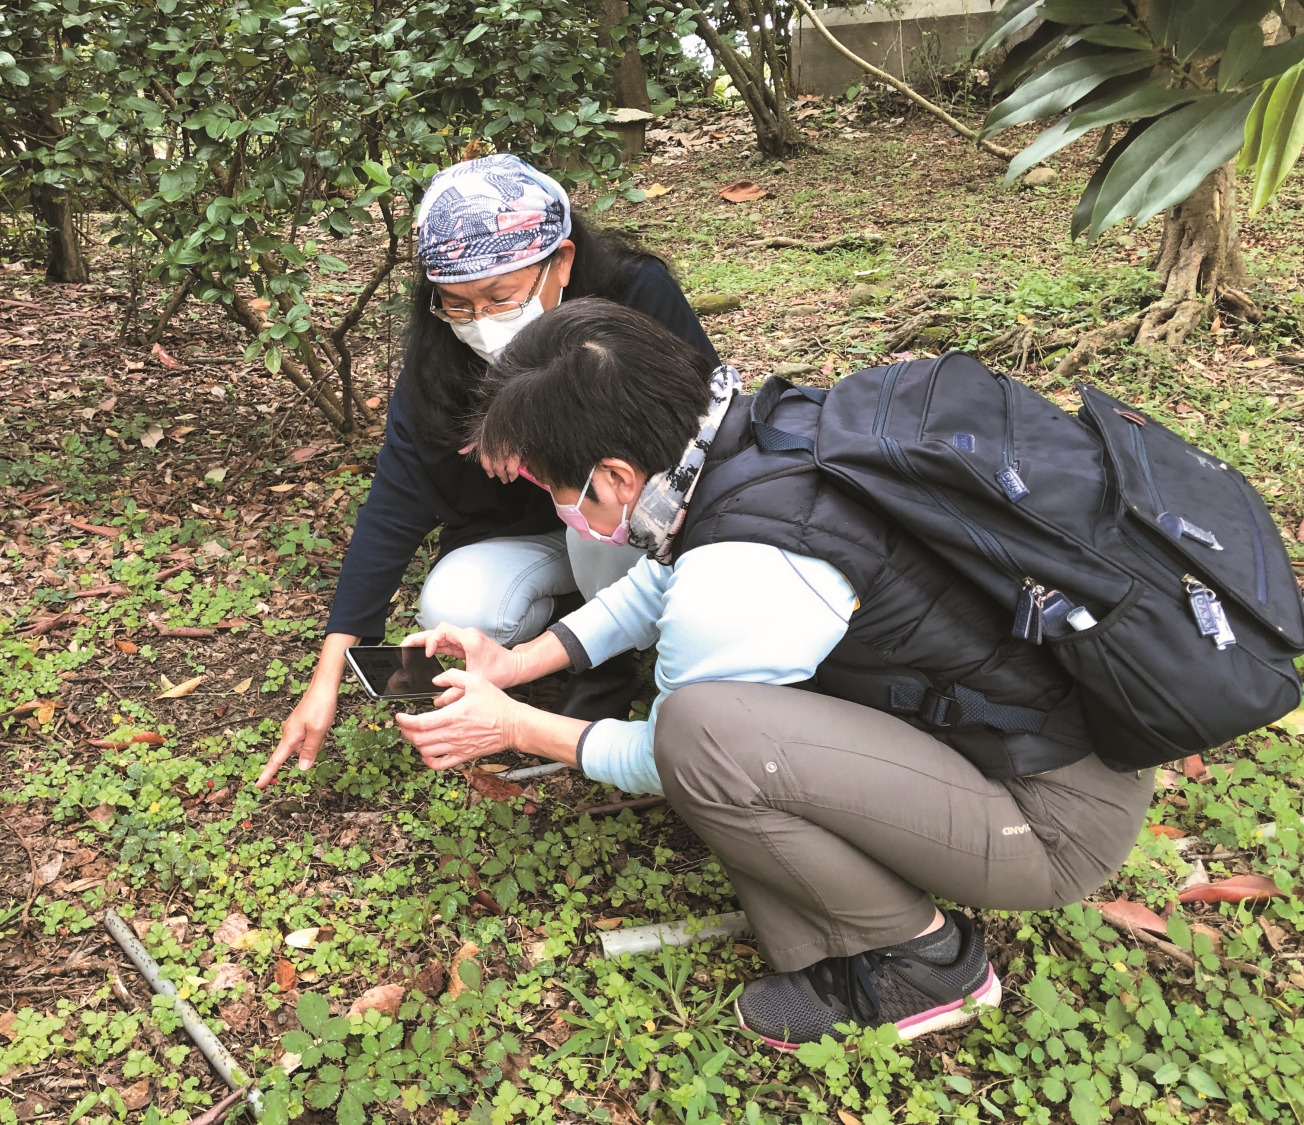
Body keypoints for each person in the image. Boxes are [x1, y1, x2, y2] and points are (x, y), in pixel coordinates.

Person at [391, 299, 1155, 1049]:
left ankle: (922, 962)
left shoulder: (745, 570)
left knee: (703, 734)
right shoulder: (755, 432)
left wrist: (514, 724)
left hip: (1052, 819)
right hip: (1034, 742)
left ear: (617, 476)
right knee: (724, 734)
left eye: (550, 484)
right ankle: (843, 932)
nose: (553, 501)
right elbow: (658, 583)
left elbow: (667, 755)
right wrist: (518, 659)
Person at [257, 155, 719, 787]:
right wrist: (327, 675)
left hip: (634, 519)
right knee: (456, 605)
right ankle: (569, 623)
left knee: (598, 528)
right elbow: (395, 503)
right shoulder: (441, 350)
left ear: (562, 261)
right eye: (456, 305)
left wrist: (538, 434)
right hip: (528, 535)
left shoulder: (635, 295)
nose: (479, 323)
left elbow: (701, 426)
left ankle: (613, 664)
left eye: (501, 298)